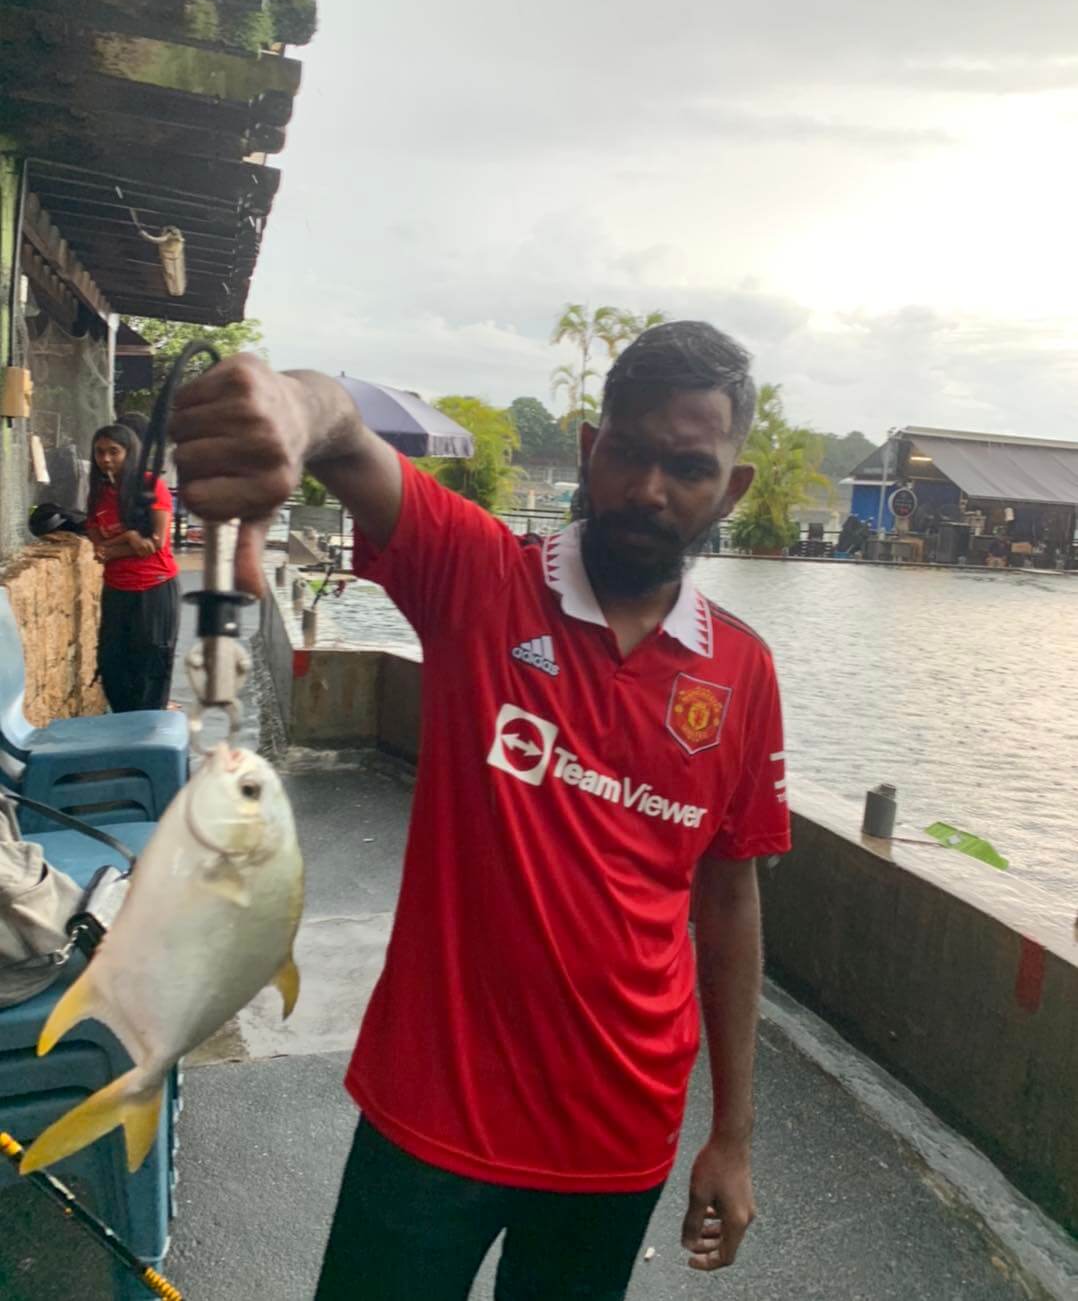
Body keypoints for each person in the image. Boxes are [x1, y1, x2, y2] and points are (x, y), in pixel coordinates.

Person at [171, 321, 792, 1300]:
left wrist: (734, 1135)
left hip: (620, 1131)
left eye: (688, 466)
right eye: (628, 451)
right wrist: (292, 407)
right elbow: (346, 435)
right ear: (591, 447)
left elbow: (728, 900)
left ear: (734, 488)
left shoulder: (743, 672)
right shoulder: (479, 574)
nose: (649, 489)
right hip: (433, 1109)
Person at [85, 423, 180, 713]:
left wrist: (114, 546)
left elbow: (155, 543)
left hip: (155, 586)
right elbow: (99, 549)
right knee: (112, 664)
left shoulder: (150, 487)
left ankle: (149, 730)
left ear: (130, 453)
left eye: (114, 451)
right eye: (100, 452)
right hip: (117, 588)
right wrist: (128, 537)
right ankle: (126, 727)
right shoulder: (98, 495)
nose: (106, 459)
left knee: (151, 661)